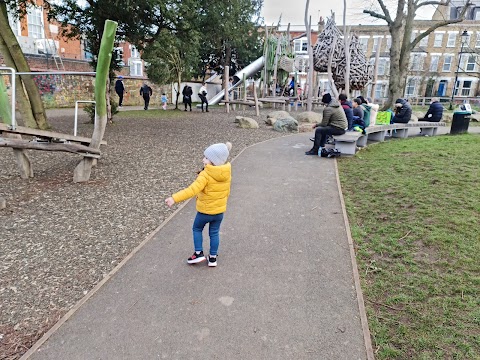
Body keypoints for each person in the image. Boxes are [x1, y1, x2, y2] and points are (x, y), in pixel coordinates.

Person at [165, 142, 232, 267]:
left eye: (206, 158)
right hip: (219, 212)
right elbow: (227, 191)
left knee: (197, 228)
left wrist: (174, 198)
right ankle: (212, 258)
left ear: (214, 161)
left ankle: (198, 253)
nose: (203, 159)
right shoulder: (226, 173)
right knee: (214, 232)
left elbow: (192, 190)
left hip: (205, 211)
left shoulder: (205, 175)